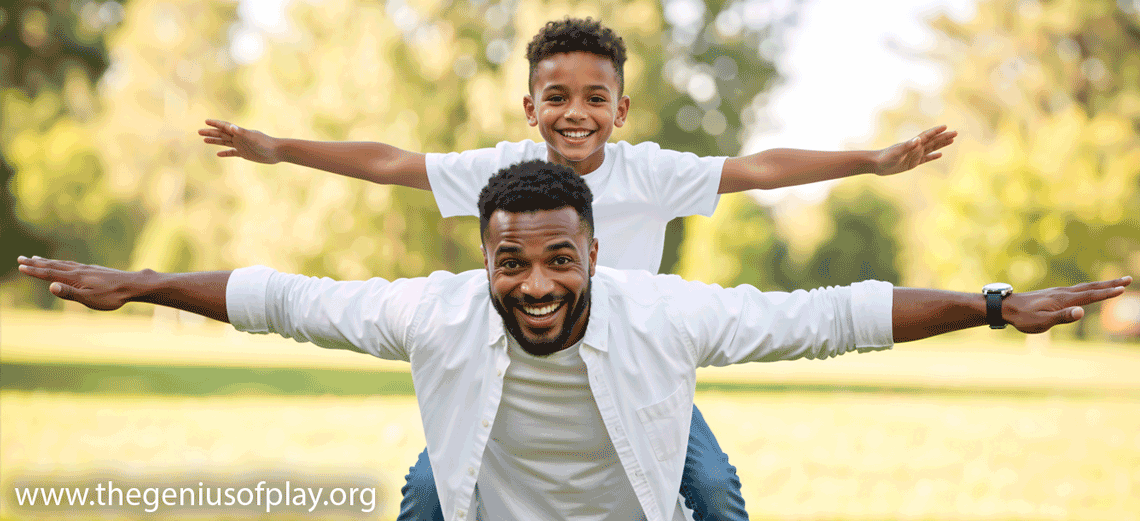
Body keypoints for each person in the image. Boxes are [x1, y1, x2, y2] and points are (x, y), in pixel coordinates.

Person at [17, 160, 1131, 521]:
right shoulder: (437, 312)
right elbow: (280, 294)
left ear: (597, 253)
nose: (536, 283)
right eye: (512, 261)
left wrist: (992, 303)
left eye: (558, 258)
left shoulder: (667, 313)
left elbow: (833, 314)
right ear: (486, 258)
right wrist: (141, 283)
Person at [197, 17, 956, 521]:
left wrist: (871, 161)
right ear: (530, 107)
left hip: (632, 371)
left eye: (596, 97)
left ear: (620, 111)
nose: (575, 112)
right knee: (431, 486)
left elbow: (756, 168)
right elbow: (393, 162)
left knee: (715, 489)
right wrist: (281, 147)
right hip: (514, 370)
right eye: (556, 96)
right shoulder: (503, 168)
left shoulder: (652, 172)